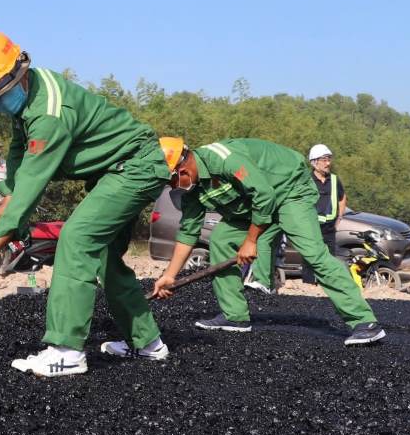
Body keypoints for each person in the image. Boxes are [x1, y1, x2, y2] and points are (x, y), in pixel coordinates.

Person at [0, 30, 172, 377]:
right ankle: (148, 344)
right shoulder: (28, 99)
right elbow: (18, 158)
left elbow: (31, 186)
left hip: (134, 167)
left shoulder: (49, 116)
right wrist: (7, 196)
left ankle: (67, 351)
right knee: (102, 257)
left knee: (76, 238)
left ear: (19, 72)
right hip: (112, 172)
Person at [152, 137, 385, 346]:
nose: (174, 186)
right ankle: (235, 316)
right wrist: (170, 275)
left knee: (314, 254)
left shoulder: (223, 160)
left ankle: (365, 323)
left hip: (289, 192)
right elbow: (188, 233)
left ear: (183, 164)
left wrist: (251, 241)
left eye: (173, 180)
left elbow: (264, 194)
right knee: (221, 238)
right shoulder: (193, 189)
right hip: (258, 205)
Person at [247, 143, 347, 290]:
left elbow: (342, 197)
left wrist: (339, 218)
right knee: (309, 258)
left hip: (329, 228)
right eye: (324, 159)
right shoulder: (306, 178)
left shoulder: (334, 180)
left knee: (328, 259)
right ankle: (308, 289)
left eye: (329, 159)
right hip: (310, 225)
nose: (328, 163)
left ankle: (328, 289)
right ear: (314, 162)